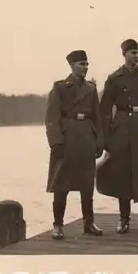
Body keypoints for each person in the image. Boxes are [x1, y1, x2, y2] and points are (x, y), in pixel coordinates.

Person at [96, 39, 138, 235]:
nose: (136, 56)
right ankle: (124, 219)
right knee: (122, 173)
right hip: (122, 128)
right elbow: (105, 110)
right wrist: (107, 138)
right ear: (124, 54)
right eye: (132, 52)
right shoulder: (114, 78)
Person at [44, 49, 104, 239]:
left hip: (86, 138)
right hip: (67, 140)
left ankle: (89, 223)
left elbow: (97, 117)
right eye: (81, 64)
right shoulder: (60, 88)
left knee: (87, 185)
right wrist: (56, 142)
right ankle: (58, 225)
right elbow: (51, 118)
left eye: (86, 64)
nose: (85, 68)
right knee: (61, 184)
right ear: (72, 65)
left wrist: (99, 142)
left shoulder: (91, 89)